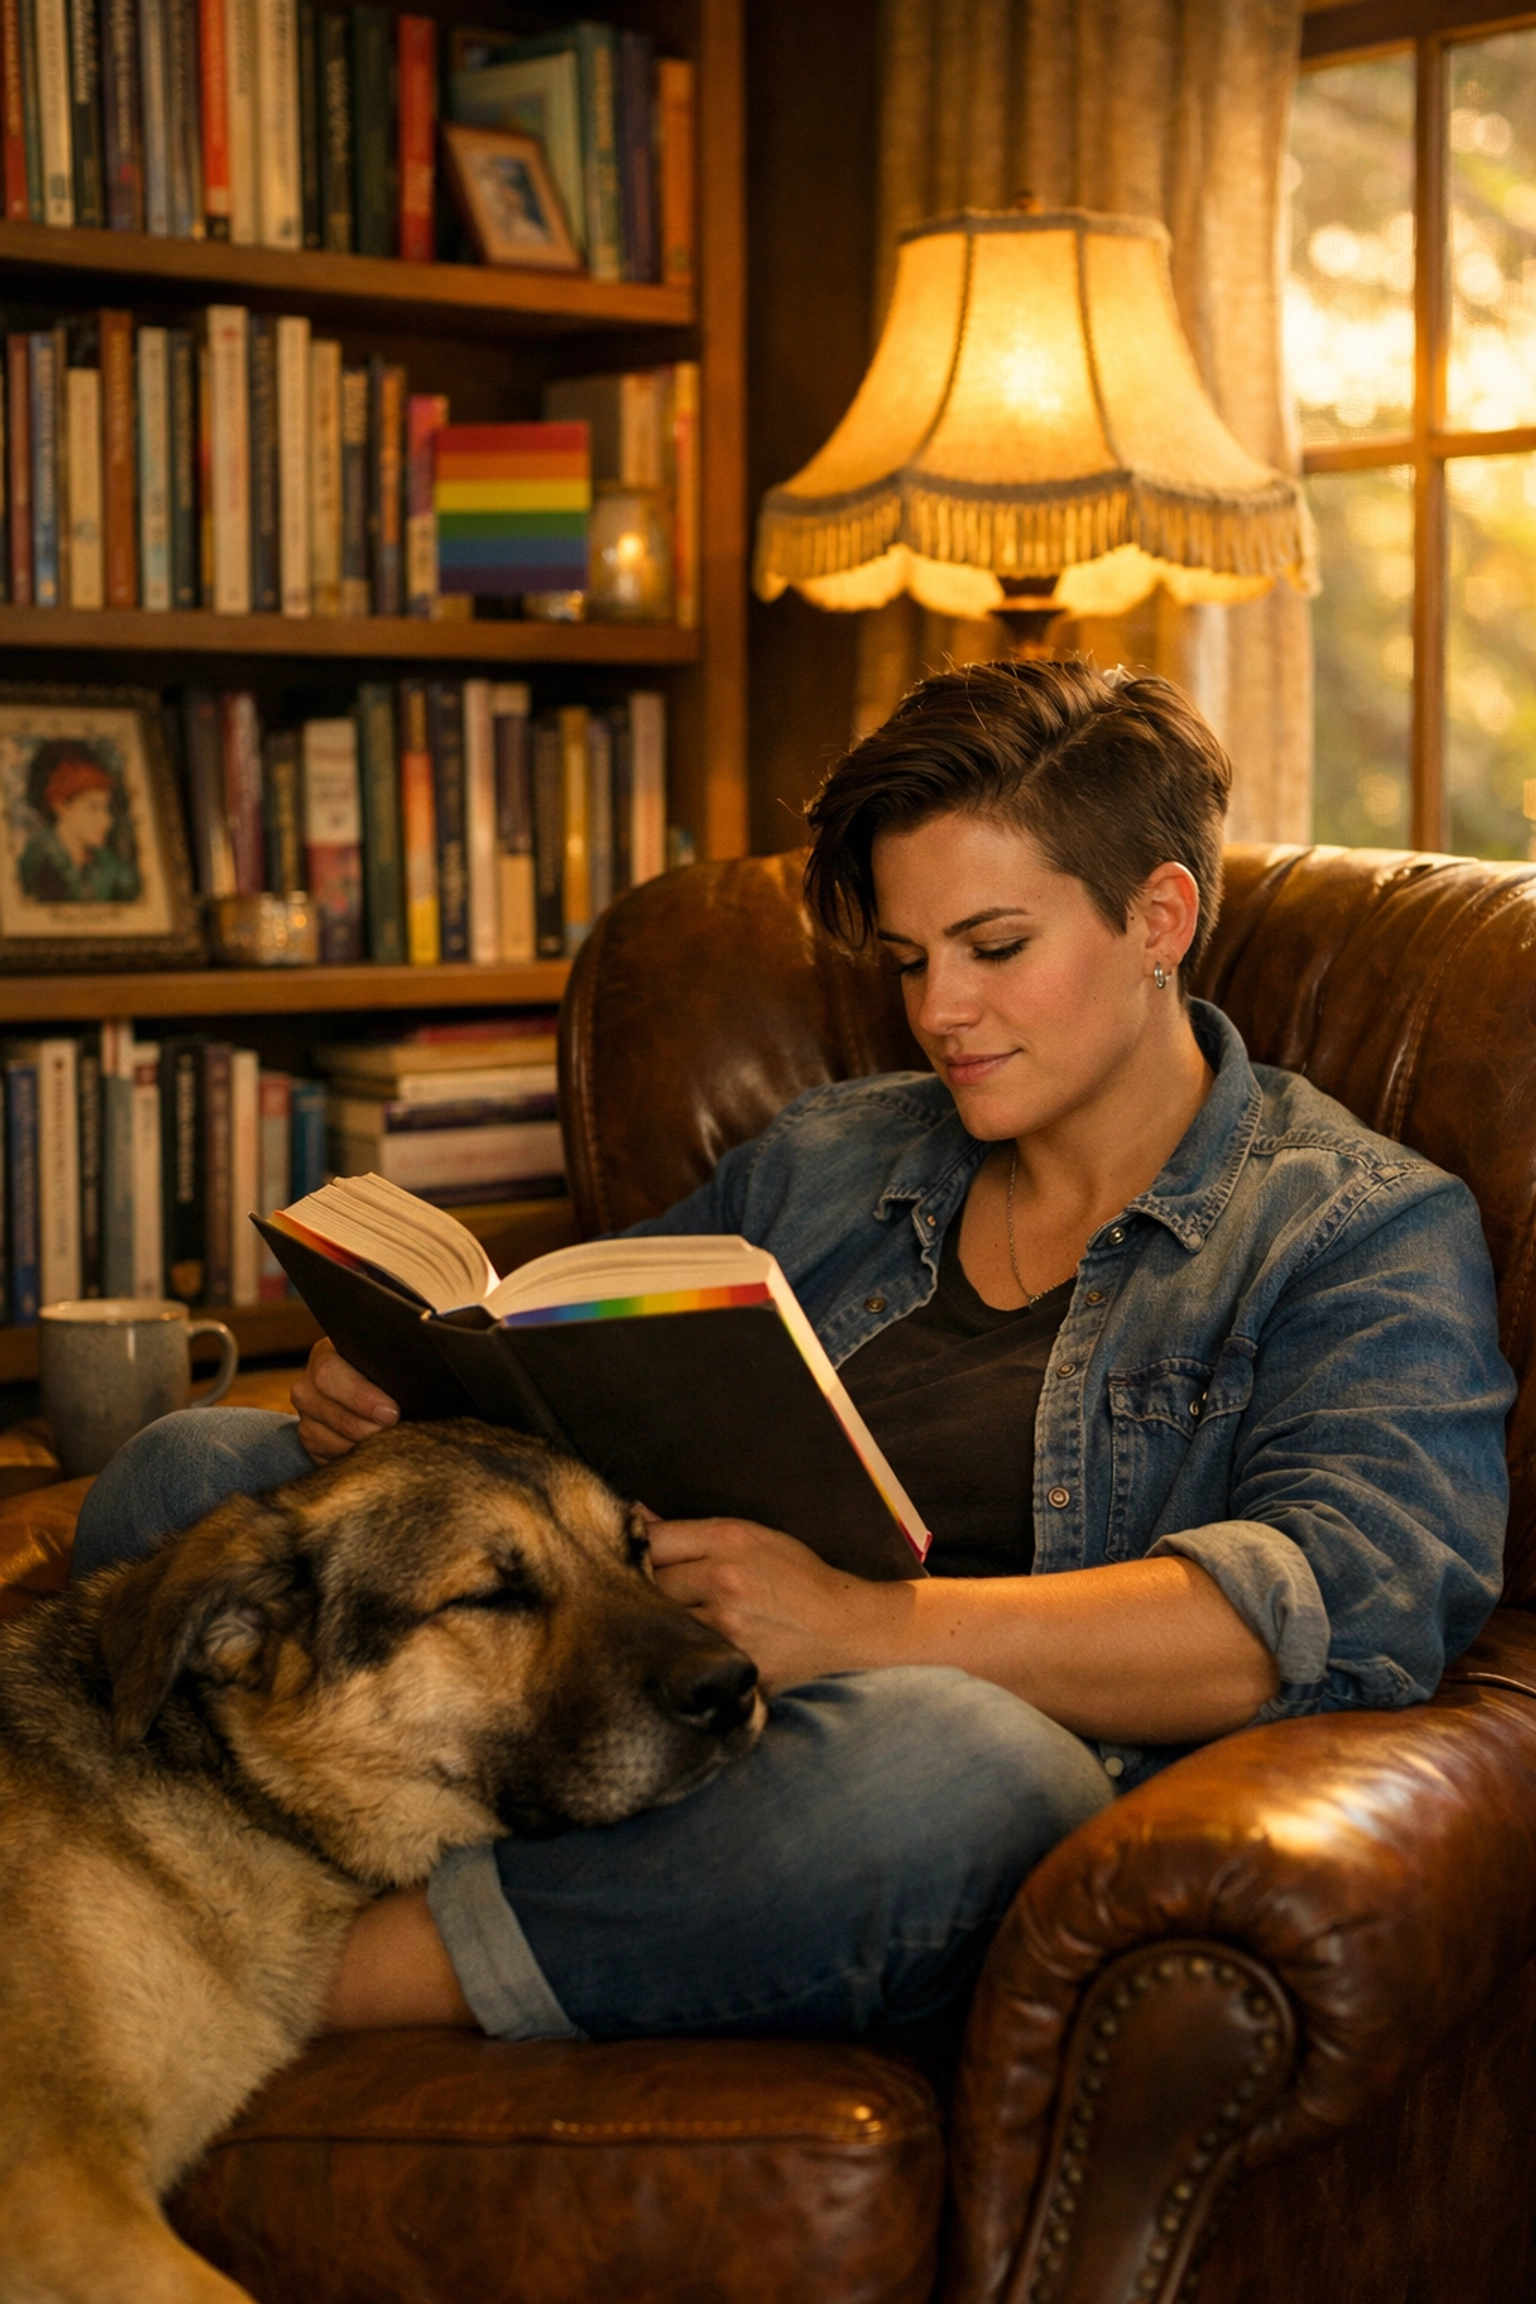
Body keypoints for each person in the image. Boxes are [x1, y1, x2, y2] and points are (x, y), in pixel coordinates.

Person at [74, 658, 1512, 2048]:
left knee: (961, 1769)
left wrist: (872, 1628)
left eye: (995, 948)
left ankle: (248, 1972)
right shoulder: (832, 1160)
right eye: (909, 960)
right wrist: (412, 1402)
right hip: (617, 1665)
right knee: (186, 1469)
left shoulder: (1355, 1231)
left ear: (1159, 917)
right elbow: (571, 1371)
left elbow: (1343, 1607)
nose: (940, 1012)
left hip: (878, 1765)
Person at [18, 741, 140, 905]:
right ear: (60, 806)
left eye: (106, 808)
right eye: (93, 808)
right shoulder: (34, 861)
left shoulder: (110, 865)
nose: (107, 820)